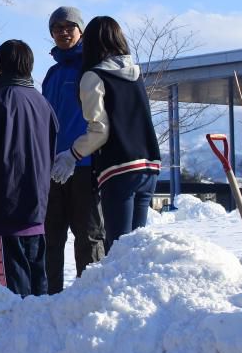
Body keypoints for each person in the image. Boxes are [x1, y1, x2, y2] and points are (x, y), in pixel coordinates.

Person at [51, 16, 161, 253]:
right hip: (149, 165)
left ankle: (115, 290)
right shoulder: (135, 74)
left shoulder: (94, 76)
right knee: (135, 248)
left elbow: (99, 129)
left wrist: (72, 154)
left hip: (118, 167)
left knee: (118, 248)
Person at [0, 41, 58, 296]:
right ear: (29, 66)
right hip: (38, 205)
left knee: (9, 294)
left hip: (4, 207)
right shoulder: (44, 105)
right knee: (37, 289)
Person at [41, 7, 105, 294]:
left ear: (81, 31)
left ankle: (89, 298)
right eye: (57, 28)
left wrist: (78, 153)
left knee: (88, 235)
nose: (63, 32)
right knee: (51, 237)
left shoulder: (91, 68)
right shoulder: (52, 74)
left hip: (84, 165)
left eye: (69, 27)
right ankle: (48, 298)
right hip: (52, 168)